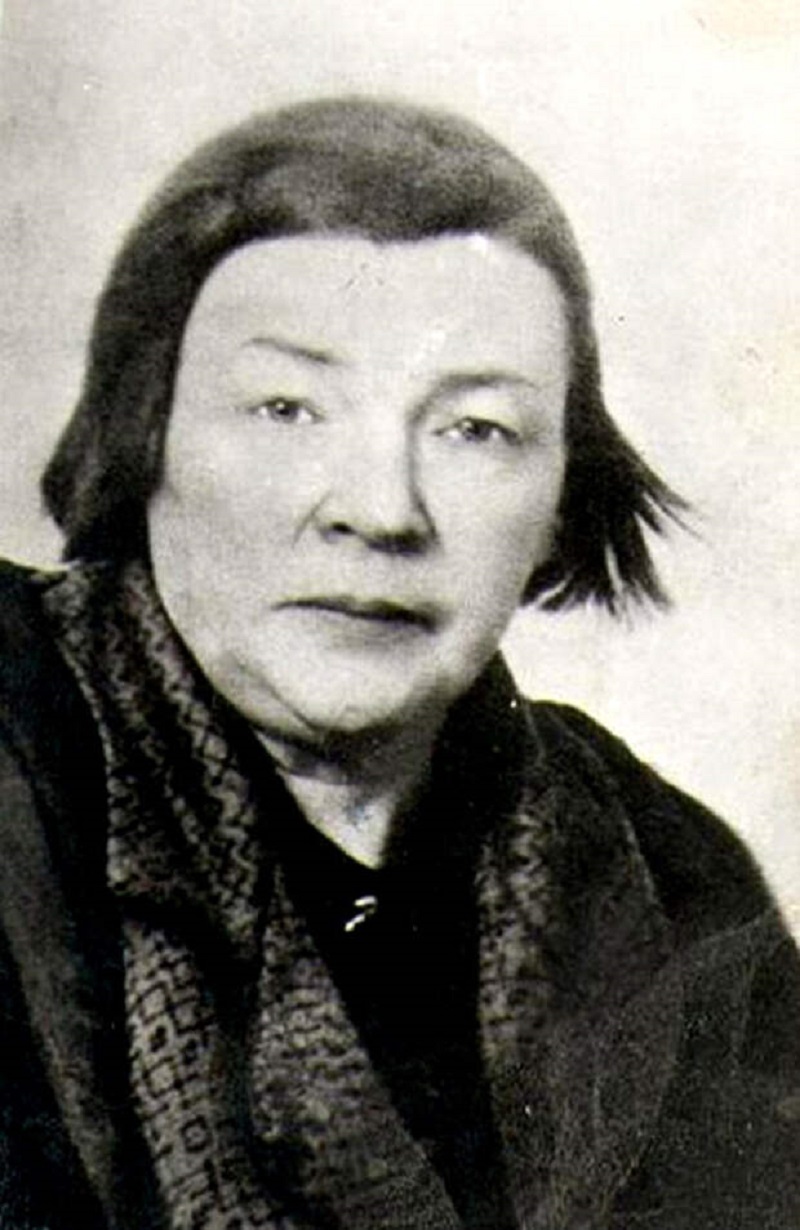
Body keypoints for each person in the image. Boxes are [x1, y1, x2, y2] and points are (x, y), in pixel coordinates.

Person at [0, 96, 798, 1230]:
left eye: (474, 429)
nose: (379, 511)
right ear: (145, 437)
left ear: (560, 500)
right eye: (287, 408)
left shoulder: (666, 876)